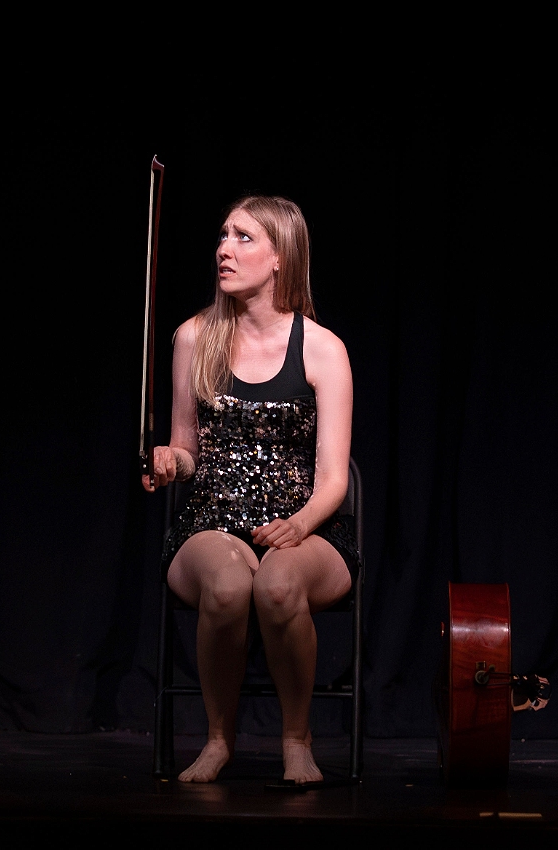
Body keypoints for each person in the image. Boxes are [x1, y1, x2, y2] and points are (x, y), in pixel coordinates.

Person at [143, 195, 360, 785]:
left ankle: (297, 738)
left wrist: (300, 524)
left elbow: (334, 478)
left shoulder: (323, 348)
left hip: (307, 524)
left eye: (243, 238)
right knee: (229, 583)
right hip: (211, 520)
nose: (223, 249)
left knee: (279, 584)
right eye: (223, 236)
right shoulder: (195, 336)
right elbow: (187, 450)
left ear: (280, 256)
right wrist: (170, 460)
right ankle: (218, 738)